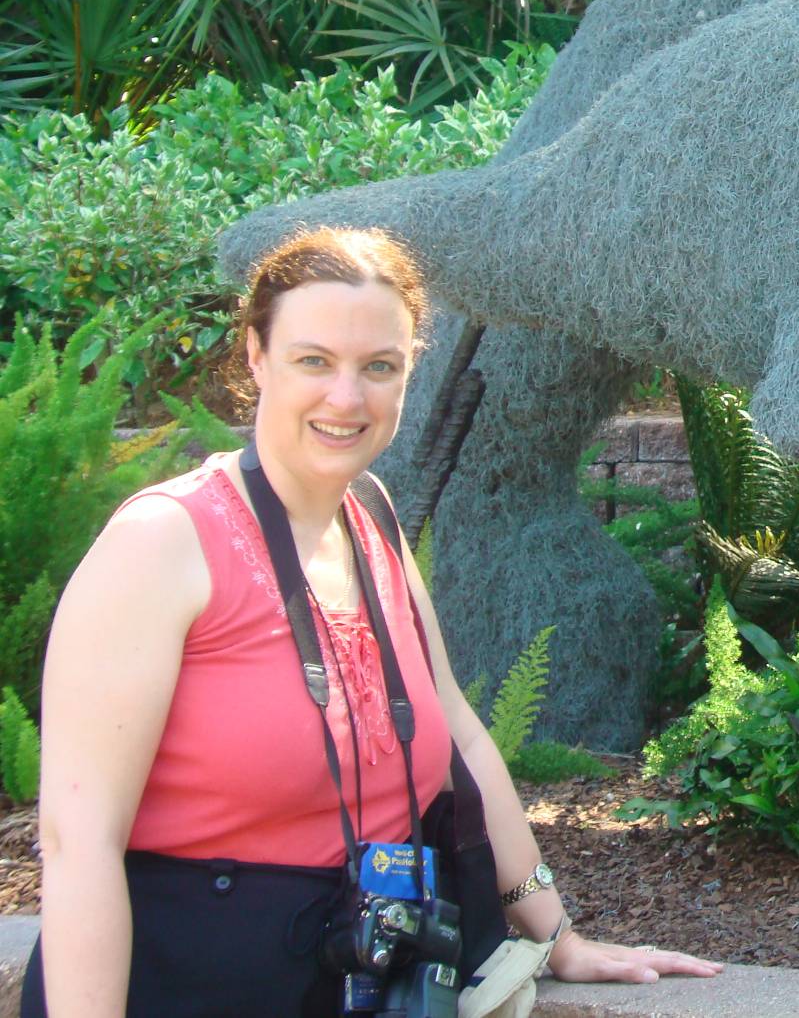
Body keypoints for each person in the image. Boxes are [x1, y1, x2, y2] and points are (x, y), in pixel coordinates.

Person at [29, 226, 722, 1015]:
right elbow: (76, 844)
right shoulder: (161, 543)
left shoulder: (371, 517)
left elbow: (457, 735)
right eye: (314, 361)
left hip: (367, 977)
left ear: (409, 373)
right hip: (191, 984)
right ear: (256, 358)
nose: (346, 398)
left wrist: (556, 931)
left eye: (379, 367)